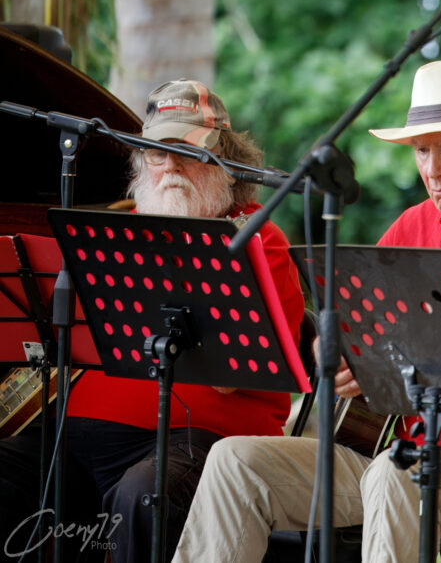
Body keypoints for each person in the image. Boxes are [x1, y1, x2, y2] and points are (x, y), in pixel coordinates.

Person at [172, 56, 441, 562]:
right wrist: (338, 352)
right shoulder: (415, 226)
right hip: (402, 460)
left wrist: (391, 368)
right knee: (234, 460)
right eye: (422, 150)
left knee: (399, 473)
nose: (432, 169)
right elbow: (348, 334)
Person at [0, 80, 305, 561]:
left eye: (188, 152)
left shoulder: (256, 239)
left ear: (225, 160)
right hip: (74, 433)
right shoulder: (109, 230)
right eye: (156, 154)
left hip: (195, 440)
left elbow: (230, 375)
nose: (171, 167)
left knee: (146, 493)